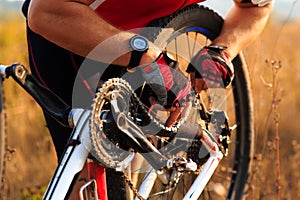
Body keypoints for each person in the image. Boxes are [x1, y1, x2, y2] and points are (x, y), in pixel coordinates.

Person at [22, 0, 273, 160]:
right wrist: (152, 62)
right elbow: (45, 11)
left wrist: (223, 50)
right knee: (84, 176)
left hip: (144, 33)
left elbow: (256, 6)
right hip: (74, 36)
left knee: (127, 167)